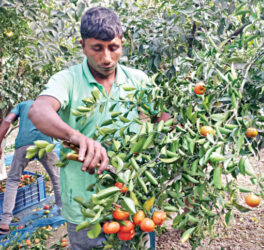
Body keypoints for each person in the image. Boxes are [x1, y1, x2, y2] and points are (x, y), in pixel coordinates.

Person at [28, 7, 169, 249]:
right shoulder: (67, 80)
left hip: (133, 203)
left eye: (113, 47)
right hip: (85, 206)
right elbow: (38, 111)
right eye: (97, 48)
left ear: (122, 44)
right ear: (82, 45)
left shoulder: (139, 80)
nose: (106, 58)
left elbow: (161, 117)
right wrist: (76, 136)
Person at [0, 100, 62, 235]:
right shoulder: (50, 104)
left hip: (23, 144)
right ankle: (64, 212)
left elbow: (6, 122)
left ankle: (4, 222)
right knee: (57, 177)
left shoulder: (22, 104)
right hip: (44, 144)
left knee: (13, 180)